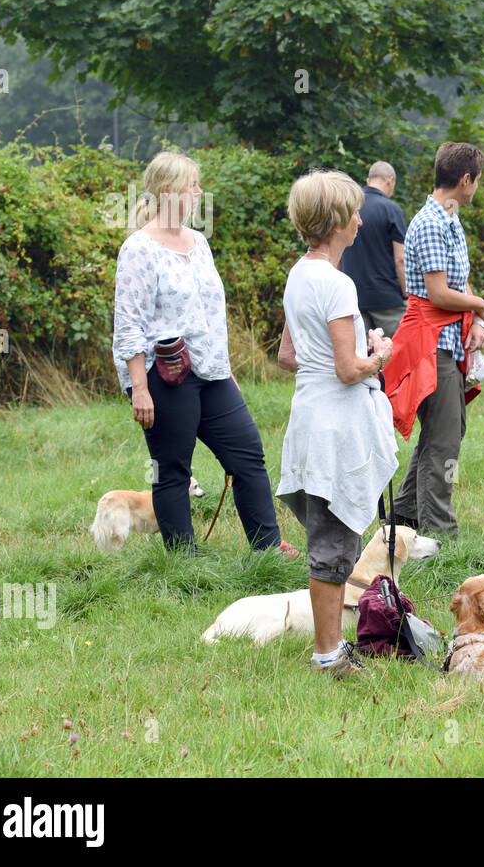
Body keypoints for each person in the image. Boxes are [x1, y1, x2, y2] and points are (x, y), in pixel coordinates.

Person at [112, 151, 292, 556]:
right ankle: (183, 562)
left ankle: (267, 552)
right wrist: (139, 388)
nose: (198, 192)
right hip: (164, 375)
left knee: (248, 456)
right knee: (173, 469)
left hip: (212, 374)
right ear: (168, 191)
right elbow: (129, 324)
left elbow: (212, 316)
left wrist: (226, 372)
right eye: (192, 185)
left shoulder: (200, 242)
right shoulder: (139, 249)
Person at [276, 169, 399, 677]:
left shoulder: (299, 274)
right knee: (333, 546)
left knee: (329, 537)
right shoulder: (338, 283)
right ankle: (328, 655)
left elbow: (288, 356)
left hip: (309, 419)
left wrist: (336, 358)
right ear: (337, 223)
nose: (360, 218)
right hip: (335, 428)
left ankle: (332, 647)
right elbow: (349, 371)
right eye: (352, 211)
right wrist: (381, 354)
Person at [387, 142, 484, 538]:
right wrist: (480, 304)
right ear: (465, 180)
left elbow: (457, 281)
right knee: (444, 442)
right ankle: (439, 532)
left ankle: (403, 516)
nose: (476, 188)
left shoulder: (449, 217)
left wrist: (477, 321)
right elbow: (439, 293)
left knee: (447, 431)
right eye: (476, 181)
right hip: (430, 344)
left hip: (448, 341)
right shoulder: (431, 223)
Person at [339, 161, 409, 336]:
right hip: (387, 301)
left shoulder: (348, 207)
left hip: (354, 299)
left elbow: (337, 254)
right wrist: (407, 296)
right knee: (395, 357)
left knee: (364, 357)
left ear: (368, 180)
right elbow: (400, 259)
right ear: (390, 181)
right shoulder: (391, 209)